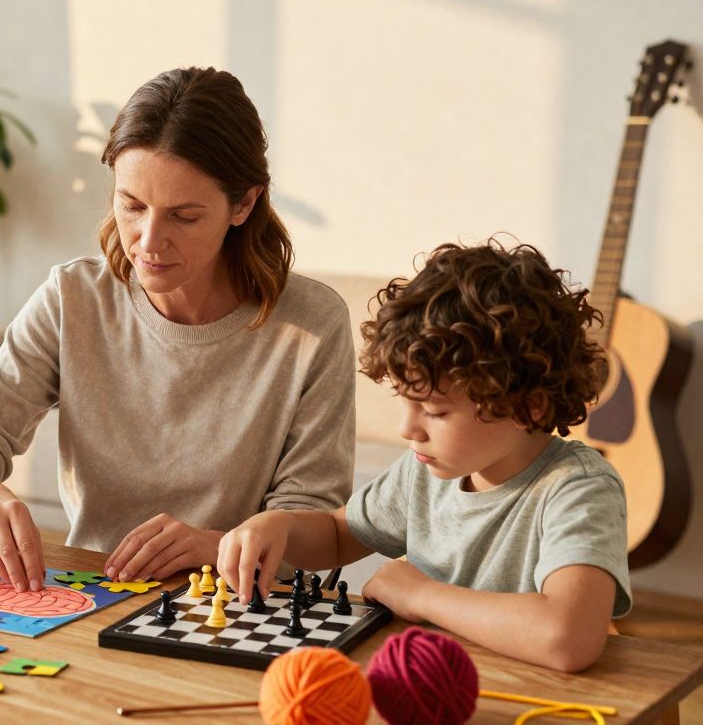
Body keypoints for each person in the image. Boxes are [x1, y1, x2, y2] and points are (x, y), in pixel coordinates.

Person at [0, 67, 356, 593]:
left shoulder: (312, 323)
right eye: (131, 206)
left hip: (238, 602)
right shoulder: (72, 298)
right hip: (92, 594)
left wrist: (220, 545)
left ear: (243, 204)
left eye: (184, 216)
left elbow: (315, 520)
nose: (149, 241)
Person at [217, 239, 631, 672]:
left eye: (434, 410)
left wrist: (420, 595)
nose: (407, 429)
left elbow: (568, 639)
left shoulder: (577, 489)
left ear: (529, 406)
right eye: (405, 401)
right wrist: (279, 524)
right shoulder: (428, 472)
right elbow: (340, 536)